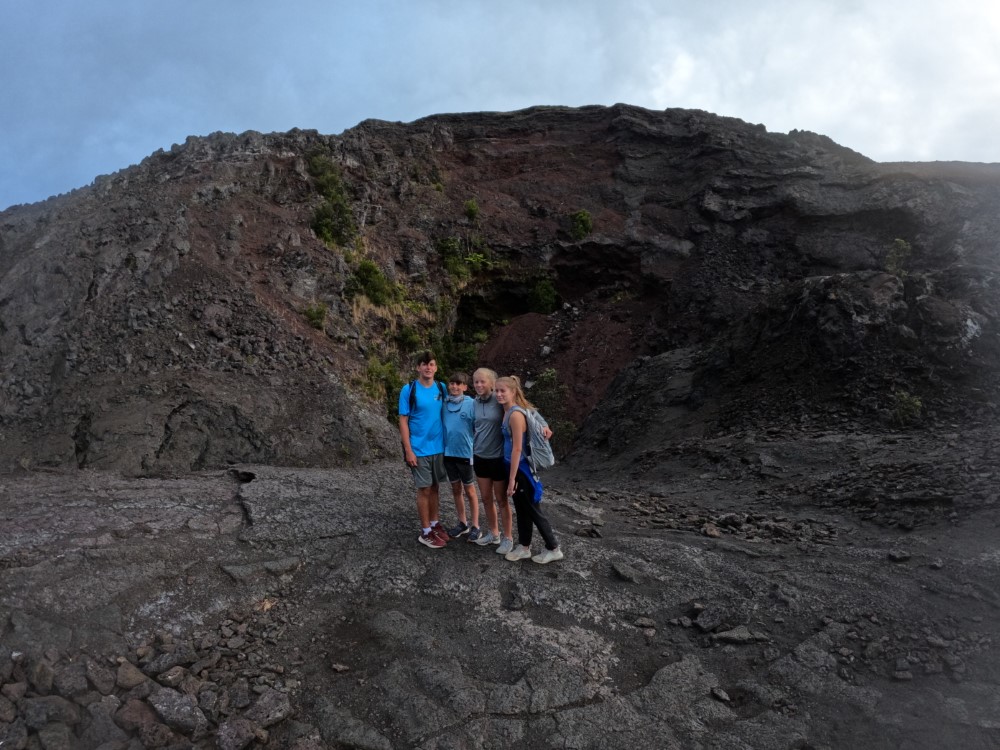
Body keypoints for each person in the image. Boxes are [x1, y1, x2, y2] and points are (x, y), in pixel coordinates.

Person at [495, 375, 563, 564]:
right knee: (522, 508)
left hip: (522, 469)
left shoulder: (515, 415)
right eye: (496, 391)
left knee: (533, 509)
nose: (499, 394)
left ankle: (553, 548)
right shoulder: (507, 411)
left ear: (513, 392)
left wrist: (511, 480)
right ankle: (524, 546)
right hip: (513, 467)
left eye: (502, 391)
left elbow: (517, 449)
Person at [399, 351, 449, 549]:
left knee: (435, 486)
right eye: (424, 364)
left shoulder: (441, 388)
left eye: (432, 364)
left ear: (436, 368)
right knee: (424, 488)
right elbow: (403, 420)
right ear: (418, 367)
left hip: (439, 447)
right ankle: (426, 531)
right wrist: (408, 450)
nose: (428, 367)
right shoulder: (409, 389)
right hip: (419, 448)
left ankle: (435, 524)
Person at [470, 367, 515, 554]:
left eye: (483, 381)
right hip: (480, 456)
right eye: (476, 381)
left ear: (492, 383)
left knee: (502, 500)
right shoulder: (473, 402)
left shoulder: (499, 400)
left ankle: (508, 538)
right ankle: (494, 533)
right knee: (486, 499)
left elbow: (523, 410)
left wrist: (543, 426)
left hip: (498, 458)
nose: (479, 385)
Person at [442, 372, 482, 540]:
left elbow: (480, 425)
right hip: (448, 453)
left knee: (470, 490)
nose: (455, 387)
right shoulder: (444, 403)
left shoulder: (471, 403)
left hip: (465, 453)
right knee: (456, 489)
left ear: (465, 387)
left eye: (458, 384)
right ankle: (462, 523)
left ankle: (476, 526)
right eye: (452, 383)